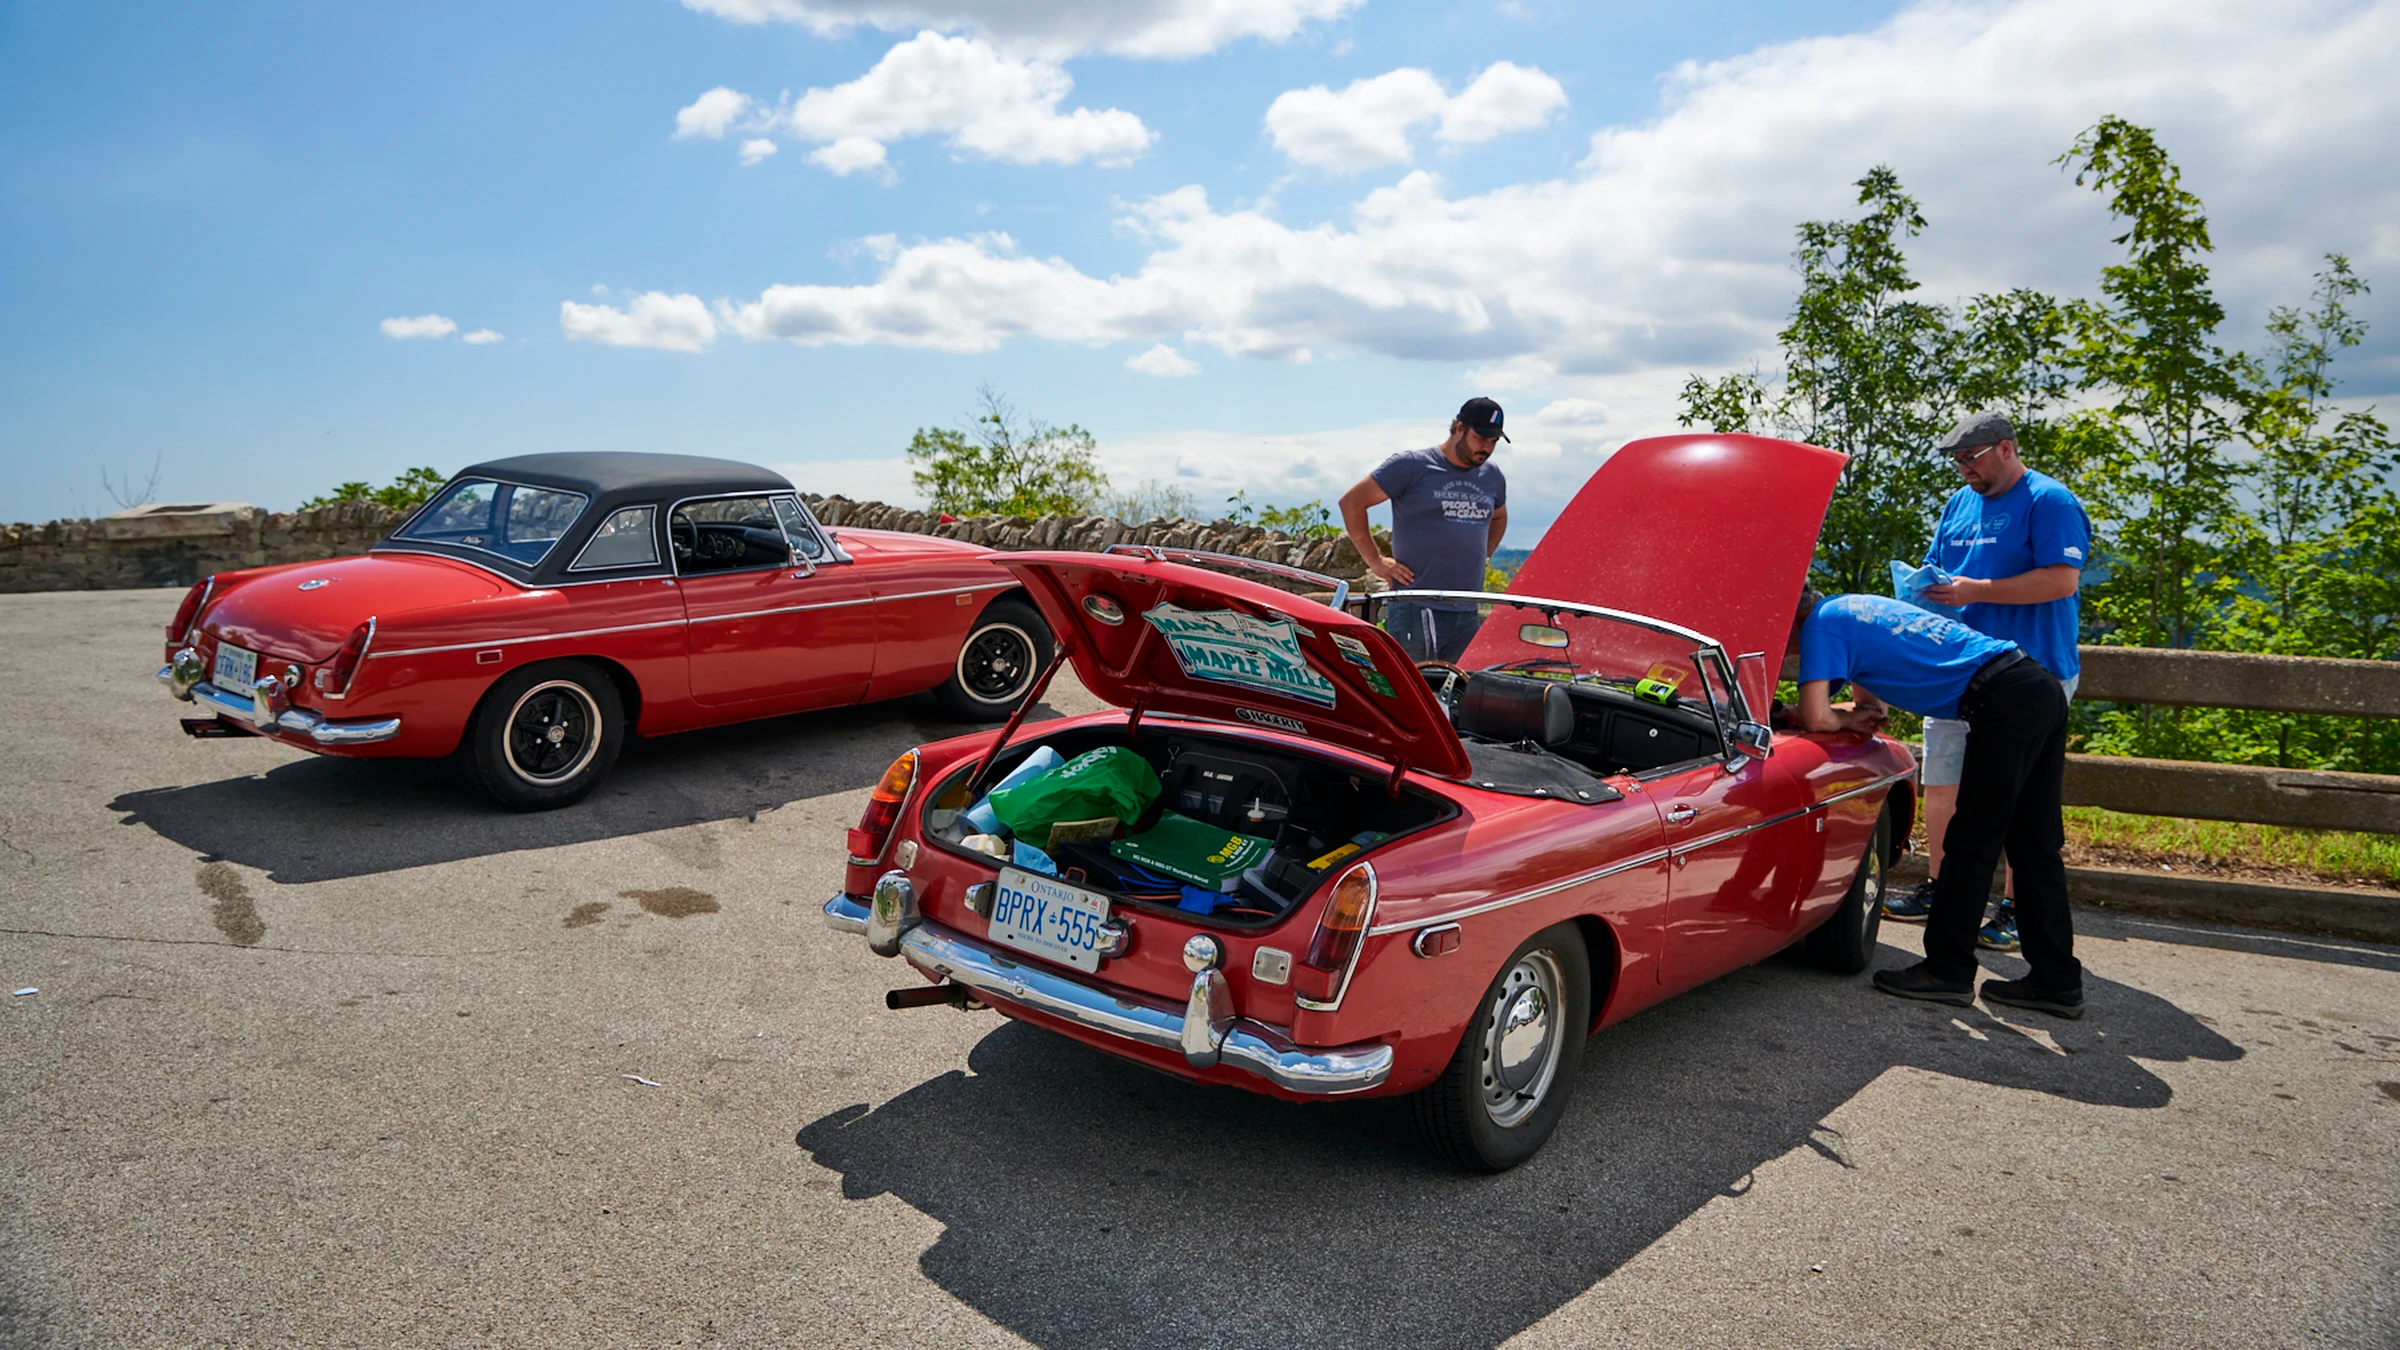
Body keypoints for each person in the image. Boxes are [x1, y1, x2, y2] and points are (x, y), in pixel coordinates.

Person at [1788, 588, 2083, 1019]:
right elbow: (1872, 704)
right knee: (2034, 846)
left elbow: (1817, 716)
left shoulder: (1819, 627)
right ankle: (2057, 981)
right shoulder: (1848, 607)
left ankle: (1947, 971)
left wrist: (1843, 718)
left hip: (2000, 700)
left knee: (1970, 844)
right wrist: (1857, 712)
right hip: (2034, 684)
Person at [1883, 410, 2090, 957]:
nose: (1962, 471)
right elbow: (1939, 566)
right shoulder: (1959, 503)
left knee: (2023, 801)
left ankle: (2018, 913)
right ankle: (1942, 888)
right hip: (1957, 670)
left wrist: (1978, 591)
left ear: (2005, 449)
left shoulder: (2049, 501)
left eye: (1969, 460)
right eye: (1955, 463)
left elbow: (2061, 579)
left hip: (2032, 673)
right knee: (1944, 783)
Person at [1338, 397, 1510, 662]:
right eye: (1481, 438)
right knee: (1416, 691)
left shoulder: (1492, 476)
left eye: (1493, 442)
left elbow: (1499, 517)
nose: (1486, 448)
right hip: (1417, 606)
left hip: (1466, 609)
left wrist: (1484, 554)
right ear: (1459, 429)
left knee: (1460, 694)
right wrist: (1375, 561)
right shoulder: (1412, 465)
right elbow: (1352, 503)